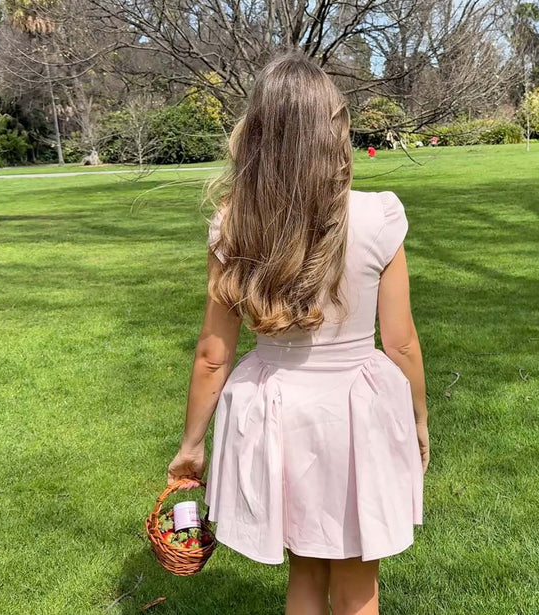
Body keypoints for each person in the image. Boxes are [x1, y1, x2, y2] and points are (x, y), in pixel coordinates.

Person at [167, 51, 428, 615]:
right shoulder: (378, 217)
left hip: (277, 411)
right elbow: (401, 342)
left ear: (257, 137)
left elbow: (214, 355)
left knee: (306, 575)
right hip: (358, 412)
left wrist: (191, 445)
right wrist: (419, 419)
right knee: (358, 584)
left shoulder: (235, 224)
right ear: (334, 132)